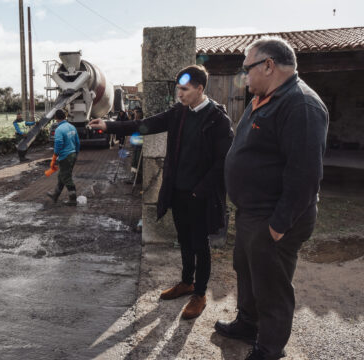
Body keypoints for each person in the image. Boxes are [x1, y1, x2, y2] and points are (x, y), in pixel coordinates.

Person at [89, 65, 233, 319]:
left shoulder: (217, 119)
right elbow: (146, 124)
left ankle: (199, 294)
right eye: (178, 88)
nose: (180, 94)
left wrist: (200, 191)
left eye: (185, 89)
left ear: (200, 89)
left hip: (201, 196)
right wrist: (109, 126)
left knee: (201, 245)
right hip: (177, 192)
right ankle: (186, 282)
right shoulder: (179, 113)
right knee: (185, 241)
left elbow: (223, 163)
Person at [216, 37, 329, 360]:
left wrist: (280, 224)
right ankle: (247, 324)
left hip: (275, 216)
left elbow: (305, 174)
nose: (244, 76)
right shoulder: (264, 98)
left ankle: (270, 347)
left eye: (247, 69)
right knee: (248, 270)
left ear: (269, 65)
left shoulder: (301, 105)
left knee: (271, 284)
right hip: (252, 211)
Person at [46, 109, 80, 206]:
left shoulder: (59, 129)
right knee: (61, 176)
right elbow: (77, 142)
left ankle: (73, 199)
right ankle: (55, 195)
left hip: (65, 156)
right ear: (65, 117)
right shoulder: (72, 127)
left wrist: (55, 156)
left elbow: (58, 143)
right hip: (73, 154)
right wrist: (76, 153)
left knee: (66, 177)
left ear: (56, 118)